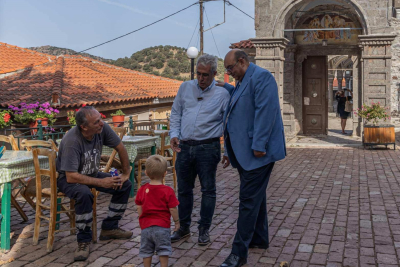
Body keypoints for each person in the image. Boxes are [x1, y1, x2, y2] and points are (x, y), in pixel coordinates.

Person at [218, 49, 286, 267]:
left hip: (257, 153)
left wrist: (259, 145)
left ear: (242, 61)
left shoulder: (262, 77)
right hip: (243, 152)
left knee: (247, 200)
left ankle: (239, 253)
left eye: (231, 69)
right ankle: (259, 238)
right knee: (256, 196)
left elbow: (266, 112)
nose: (229, 73)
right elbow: (241, 100)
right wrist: (226, 86)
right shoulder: (242, 80)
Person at [56, 106, 133, 262]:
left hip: (90, 173)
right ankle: (83, 241)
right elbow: (71, 177)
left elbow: (120, 147)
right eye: (97, 121)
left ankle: (109, 228)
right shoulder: (72, 141)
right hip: (69, 178)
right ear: (84, 127)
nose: (102, 123)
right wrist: (101, 182)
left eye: (100, 119)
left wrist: (125, 174)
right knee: (84, 193)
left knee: (124, 185)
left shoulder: (101, 129)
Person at [169, 54, 230, 245]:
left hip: (208, 147)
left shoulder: (223, 95)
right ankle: (183, 228)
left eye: (205, 75)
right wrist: (173, 134)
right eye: (198, 74)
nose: (201, 78)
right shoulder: (185, 87)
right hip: (185, 147)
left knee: (208, 190)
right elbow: (176, 112)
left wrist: (227, 150)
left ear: (214, 73)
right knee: (184, 190)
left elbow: (228, 125)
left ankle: (204, 229)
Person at [135, 155, 180, 267]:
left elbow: (139, 206)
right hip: (162, 227)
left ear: (146, 173)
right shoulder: (168, 191)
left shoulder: (142, 189)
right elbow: (173, 208)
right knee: (163, 250)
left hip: (146, 227)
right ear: (165, 173)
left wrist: (142, 218)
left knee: (146, 251)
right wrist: (177, 221)